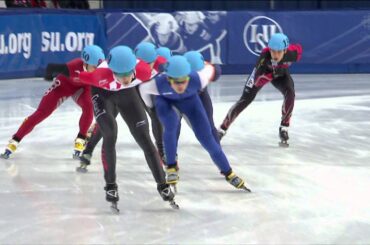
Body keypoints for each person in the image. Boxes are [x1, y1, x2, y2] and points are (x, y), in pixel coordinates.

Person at [78, 45, 178, 212]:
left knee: (145, 140)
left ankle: (162, 185)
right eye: (119, 74)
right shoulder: (98, 75)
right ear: (112, 71)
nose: (124, 78)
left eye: (127, 74)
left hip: (127, 96)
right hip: (103, 95)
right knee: (110, 134)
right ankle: (110, 184)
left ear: (134, 68)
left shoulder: (144, 71)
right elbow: (77, 75)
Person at [139, 55, 251, 192]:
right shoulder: (158, 84)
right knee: (171, 125)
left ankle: (228, 172)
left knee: (208, 139)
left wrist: (212, 67)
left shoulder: (200, 78)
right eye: (176, 82)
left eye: (184, 81)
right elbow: (143, 90)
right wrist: (150, 107)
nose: (180, 85)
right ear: (168, 79)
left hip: (191, 103)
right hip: (166, 102)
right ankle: (171, 166)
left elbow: (212, 68)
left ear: (189, 77)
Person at [0, 45, 103, 159]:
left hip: (84, 88)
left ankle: (81, 139)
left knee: (89, 106)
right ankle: (15, 140)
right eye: (94, 67)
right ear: (86, 62)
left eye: (98, 67)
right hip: (64, 86)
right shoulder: (73, 67)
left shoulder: (99, 68)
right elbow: (50, 68)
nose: (96, 70)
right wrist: (50, 78)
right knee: (42, 112)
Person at [77, 42, 169, 171]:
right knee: (108, 120)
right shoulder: (126, 67)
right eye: (144, 63)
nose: (148, 67)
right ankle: (88, 150)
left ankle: (161, 150)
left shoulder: (161, 63)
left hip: (144, 88)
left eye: (150, 63)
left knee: (154, 113)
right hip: (126, 89)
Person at [218, 33, 302, 147]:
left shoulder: (292, 54)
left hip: (281, 74)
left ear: (285, 51)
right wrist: (270, 74)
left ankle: (284, 127)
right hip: (263, 75)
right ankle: (222, 129)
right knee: (245, 100)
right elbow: (257, 79)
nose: (275, 55)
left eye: (279, 52)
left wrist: (278, 71)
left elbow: (299, 49)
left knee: (290, 93)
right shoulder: (264, 59)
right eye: (273, 51)